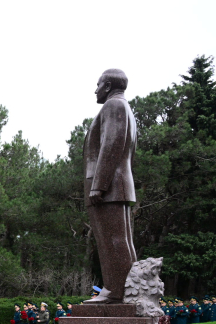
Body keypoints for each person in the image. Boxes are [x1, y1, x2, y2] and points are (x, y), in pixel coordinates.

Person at [84, 69, 138, 304]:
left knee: (111, 240)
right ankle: (126, 289)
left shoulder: (113, 105)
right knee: (120, 239)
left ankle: (114, 291)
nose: (95, 90)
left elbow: (112, 144)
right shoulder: (124, 107)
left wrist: (99, 185)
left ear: (107, 86)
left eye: (98, 85)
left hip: (109, 186)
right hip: (118, 184)